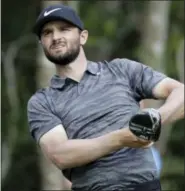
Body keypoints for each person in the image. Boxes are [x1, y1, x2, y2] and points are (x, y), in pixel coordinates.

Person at [27, 4, 184, 191]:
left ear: (83, 36)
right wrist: (121, 138)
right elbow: (60, 154)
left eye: (64, 29)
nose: (55, 37)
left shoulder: (122, 70)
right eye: (47, 33)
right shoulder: (42, 102)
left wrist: (154, 121)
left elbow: (180, 92)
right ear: (42, 43)